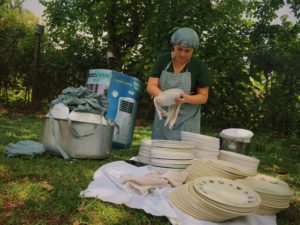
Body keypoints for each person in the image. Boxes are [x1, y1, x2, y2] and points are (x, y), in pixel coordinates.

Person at [147, 27, 212, 140]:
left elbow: (203, 97)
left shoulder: (199, 66)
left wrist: (186, 98)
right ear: (174, 46)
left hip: (188, 120)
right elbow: (151, 85)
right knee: (159, 152)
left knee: (183, 153)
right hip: (164, 115)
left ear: (193, 50)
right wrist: (165, 97)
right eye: (179, 49)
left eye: (187, 51)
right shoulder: (163, 60)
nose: (182, 54)